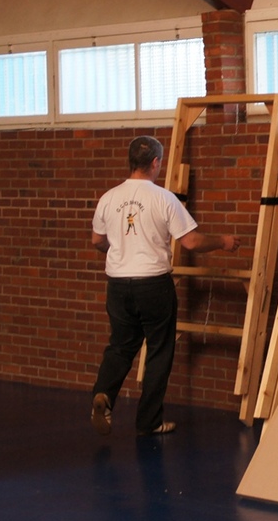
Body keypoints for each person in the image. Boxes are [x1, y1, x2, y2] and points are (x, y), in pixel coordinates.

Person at [90, 135, 240, 436]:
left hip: (117, 285)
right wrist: (223, 242)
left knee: (120, 346)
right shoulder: (163, 198)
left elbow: (97, 241)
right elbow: (191, 241)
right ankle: (149, 422)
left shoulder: (108, 197)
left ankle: (104, 394)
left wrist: (120, 251)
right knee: (159, 351)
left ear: (131, 161)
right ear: (156, 162)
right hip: (153, 285)